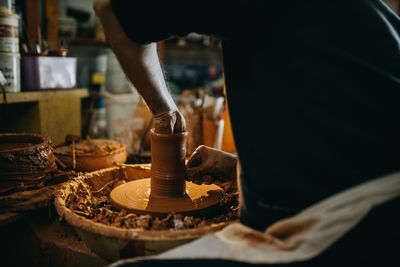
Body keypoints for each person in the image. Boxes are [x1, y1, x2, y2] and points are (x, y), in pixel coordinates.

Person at [93, 0, 400, 266]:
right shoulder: (375, 15)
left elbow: (110, 8)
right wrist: (237, 165)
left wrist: (165, 110)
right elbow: (345, 128)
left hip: (363, 225)